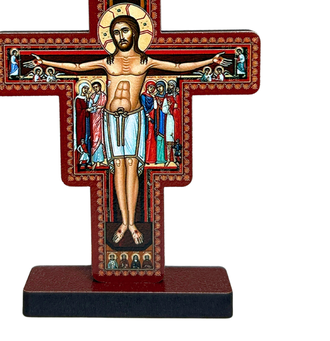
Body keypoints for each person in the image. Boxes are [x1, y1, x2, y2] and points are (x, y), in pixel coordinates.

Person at [24, 14, 228, 245]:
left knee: (132, 168)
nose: (120, 36)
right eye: (116, 32)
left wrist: (210, 61)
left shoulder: (145, 61)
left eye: (125, 31)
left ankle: (132, 223)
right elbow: (77, 67)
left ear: (135, 33)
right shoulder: (108, 62)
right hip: (111, 119)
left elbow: (178, 66)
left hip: (133, 118)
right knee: (118, 169)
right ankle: (124, 222)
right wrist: (46, 63)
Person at [87, 81, 107, 166]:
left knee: (101, 137)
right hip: (94, 118)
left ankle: (101, 160)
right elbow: (90, 106)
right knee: (95, 137)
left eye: (97, 87)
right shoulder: (92, 96)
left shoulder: (104, 96)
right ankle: (95, 160)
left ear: (100, 87)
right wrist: (91, 108)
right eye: (94, 87)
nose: (95, 88)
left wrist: (100, 107)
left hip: (101, 117)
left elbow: (106, 106)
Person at [140, 81, 157, 164]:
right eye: (150, 87)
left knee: (152, 136)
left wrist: (154, 98)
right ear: (147, 87)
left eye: (153, 88)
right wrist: (148, 115)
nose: (151, 89)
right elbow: (143, 106)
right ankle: (145, 158)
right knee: (146, 136)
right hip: (146, 118)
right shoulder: (143, 96)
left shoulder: (153, 97)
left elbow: (155, 107)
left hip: (153, 117)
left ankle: (152, 158)